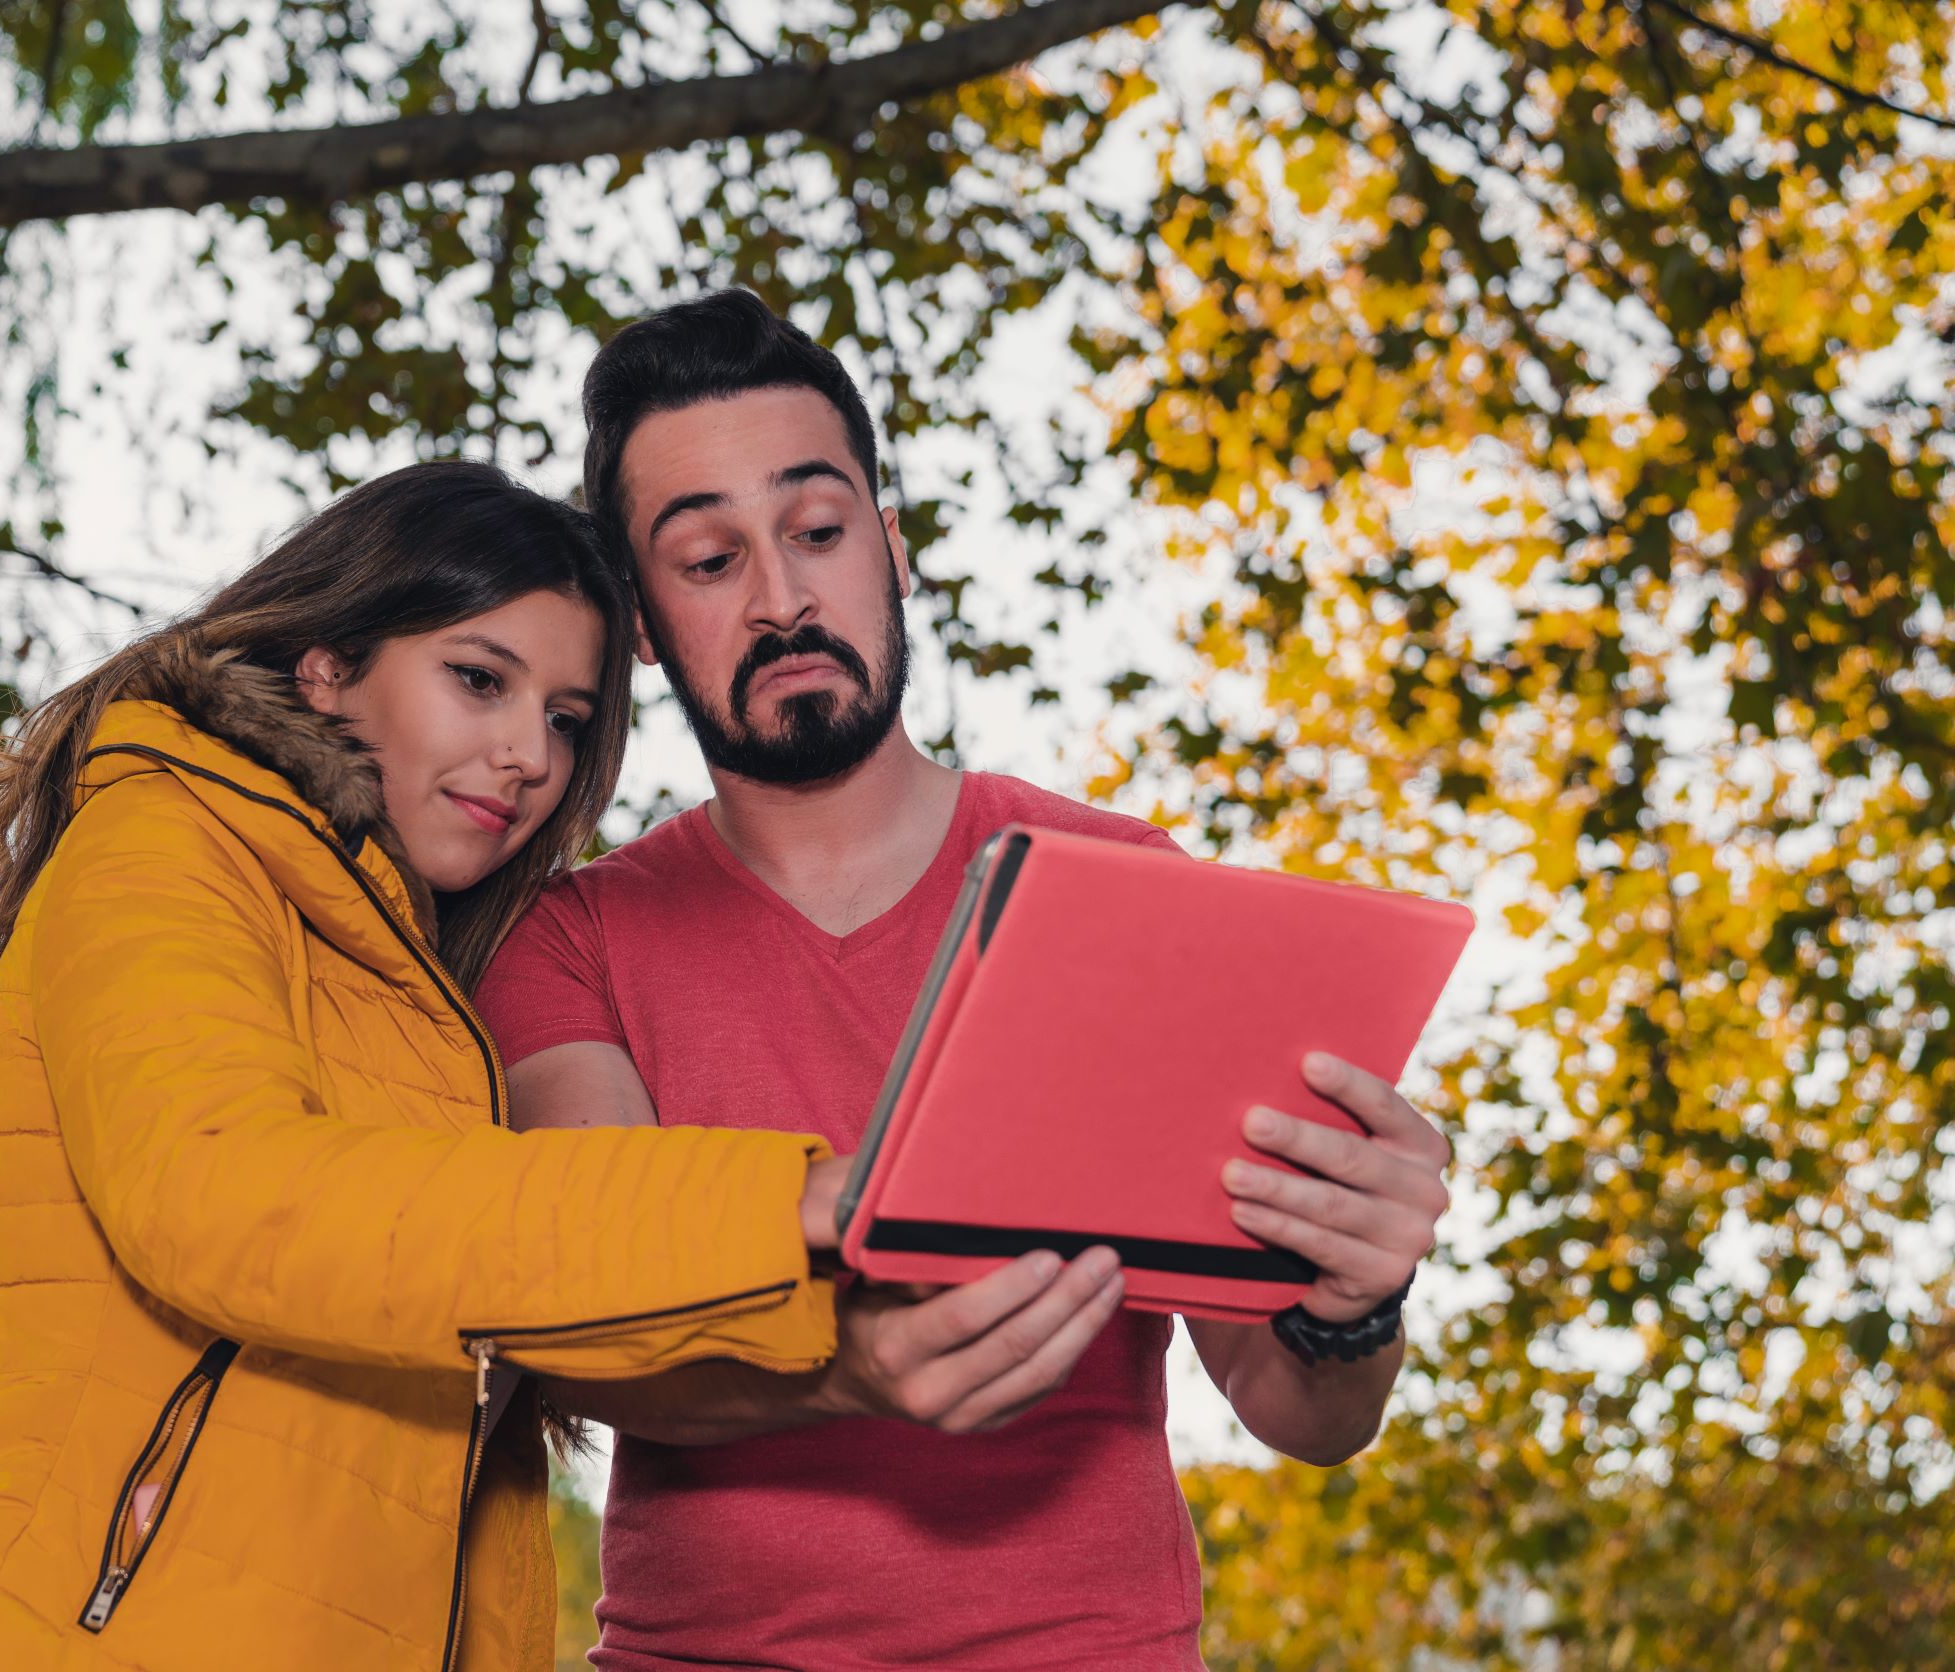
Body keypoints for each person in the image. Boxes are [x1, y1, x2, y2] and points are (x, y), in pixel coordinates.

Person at [0, 461, 1032, 1671]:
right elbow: (228, 1198)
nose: (525, 758)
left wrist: (848, 1336)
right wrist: (784, 1202)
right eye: (477, 679)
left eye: (561, 720)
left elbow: (492, 1312)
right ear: (327, 665)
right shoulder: (163, 841)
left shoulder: (425, 1001)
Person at [476, 291, 1454, 1670]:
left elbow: (1300, 1413)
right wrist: (842, 1370)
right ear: (638, 623)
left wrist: (1347, 1304)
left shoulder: (1122, 884)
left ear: (889, 546)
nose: (780, 595)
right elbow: (592, 1334)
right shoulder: (567, 937)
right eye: (706, 559)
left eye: (816, 532)